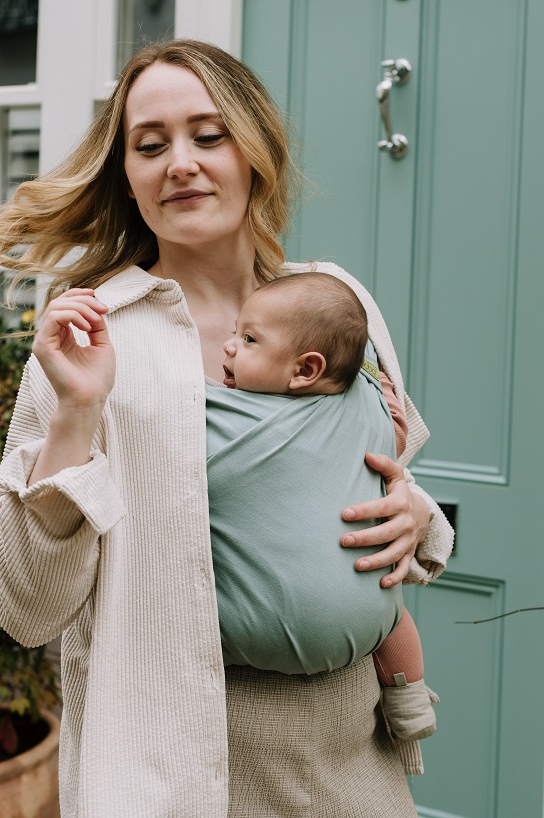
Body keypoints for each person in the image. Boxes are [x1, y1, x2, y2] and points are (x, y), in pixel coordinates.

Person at [0, 39, 453, 817]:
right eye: (149, 145)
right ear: (127, 177)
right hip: (172, 780)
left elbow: (376, 478)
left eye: (208, 134)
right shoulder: (91, 342)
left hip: (355, 767)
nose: (180, 163)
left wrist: (415, 516)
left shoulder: (335, 304)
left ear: (254, 151)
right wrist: (76, 413)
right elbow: (24, 608)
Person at [207, 271, 438, 775]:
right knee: (396, 620)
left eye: (248, 339)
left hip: (352, 742)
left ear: (305, 370)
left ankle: (408, 698)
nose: (229, 346)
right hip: (240, 718)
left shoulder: (331, 294)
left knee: (392, 614)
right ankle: (410, 694)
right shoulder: (369, 401)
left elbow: (396, 470)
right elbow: (392, 435)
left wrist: (417, 509)